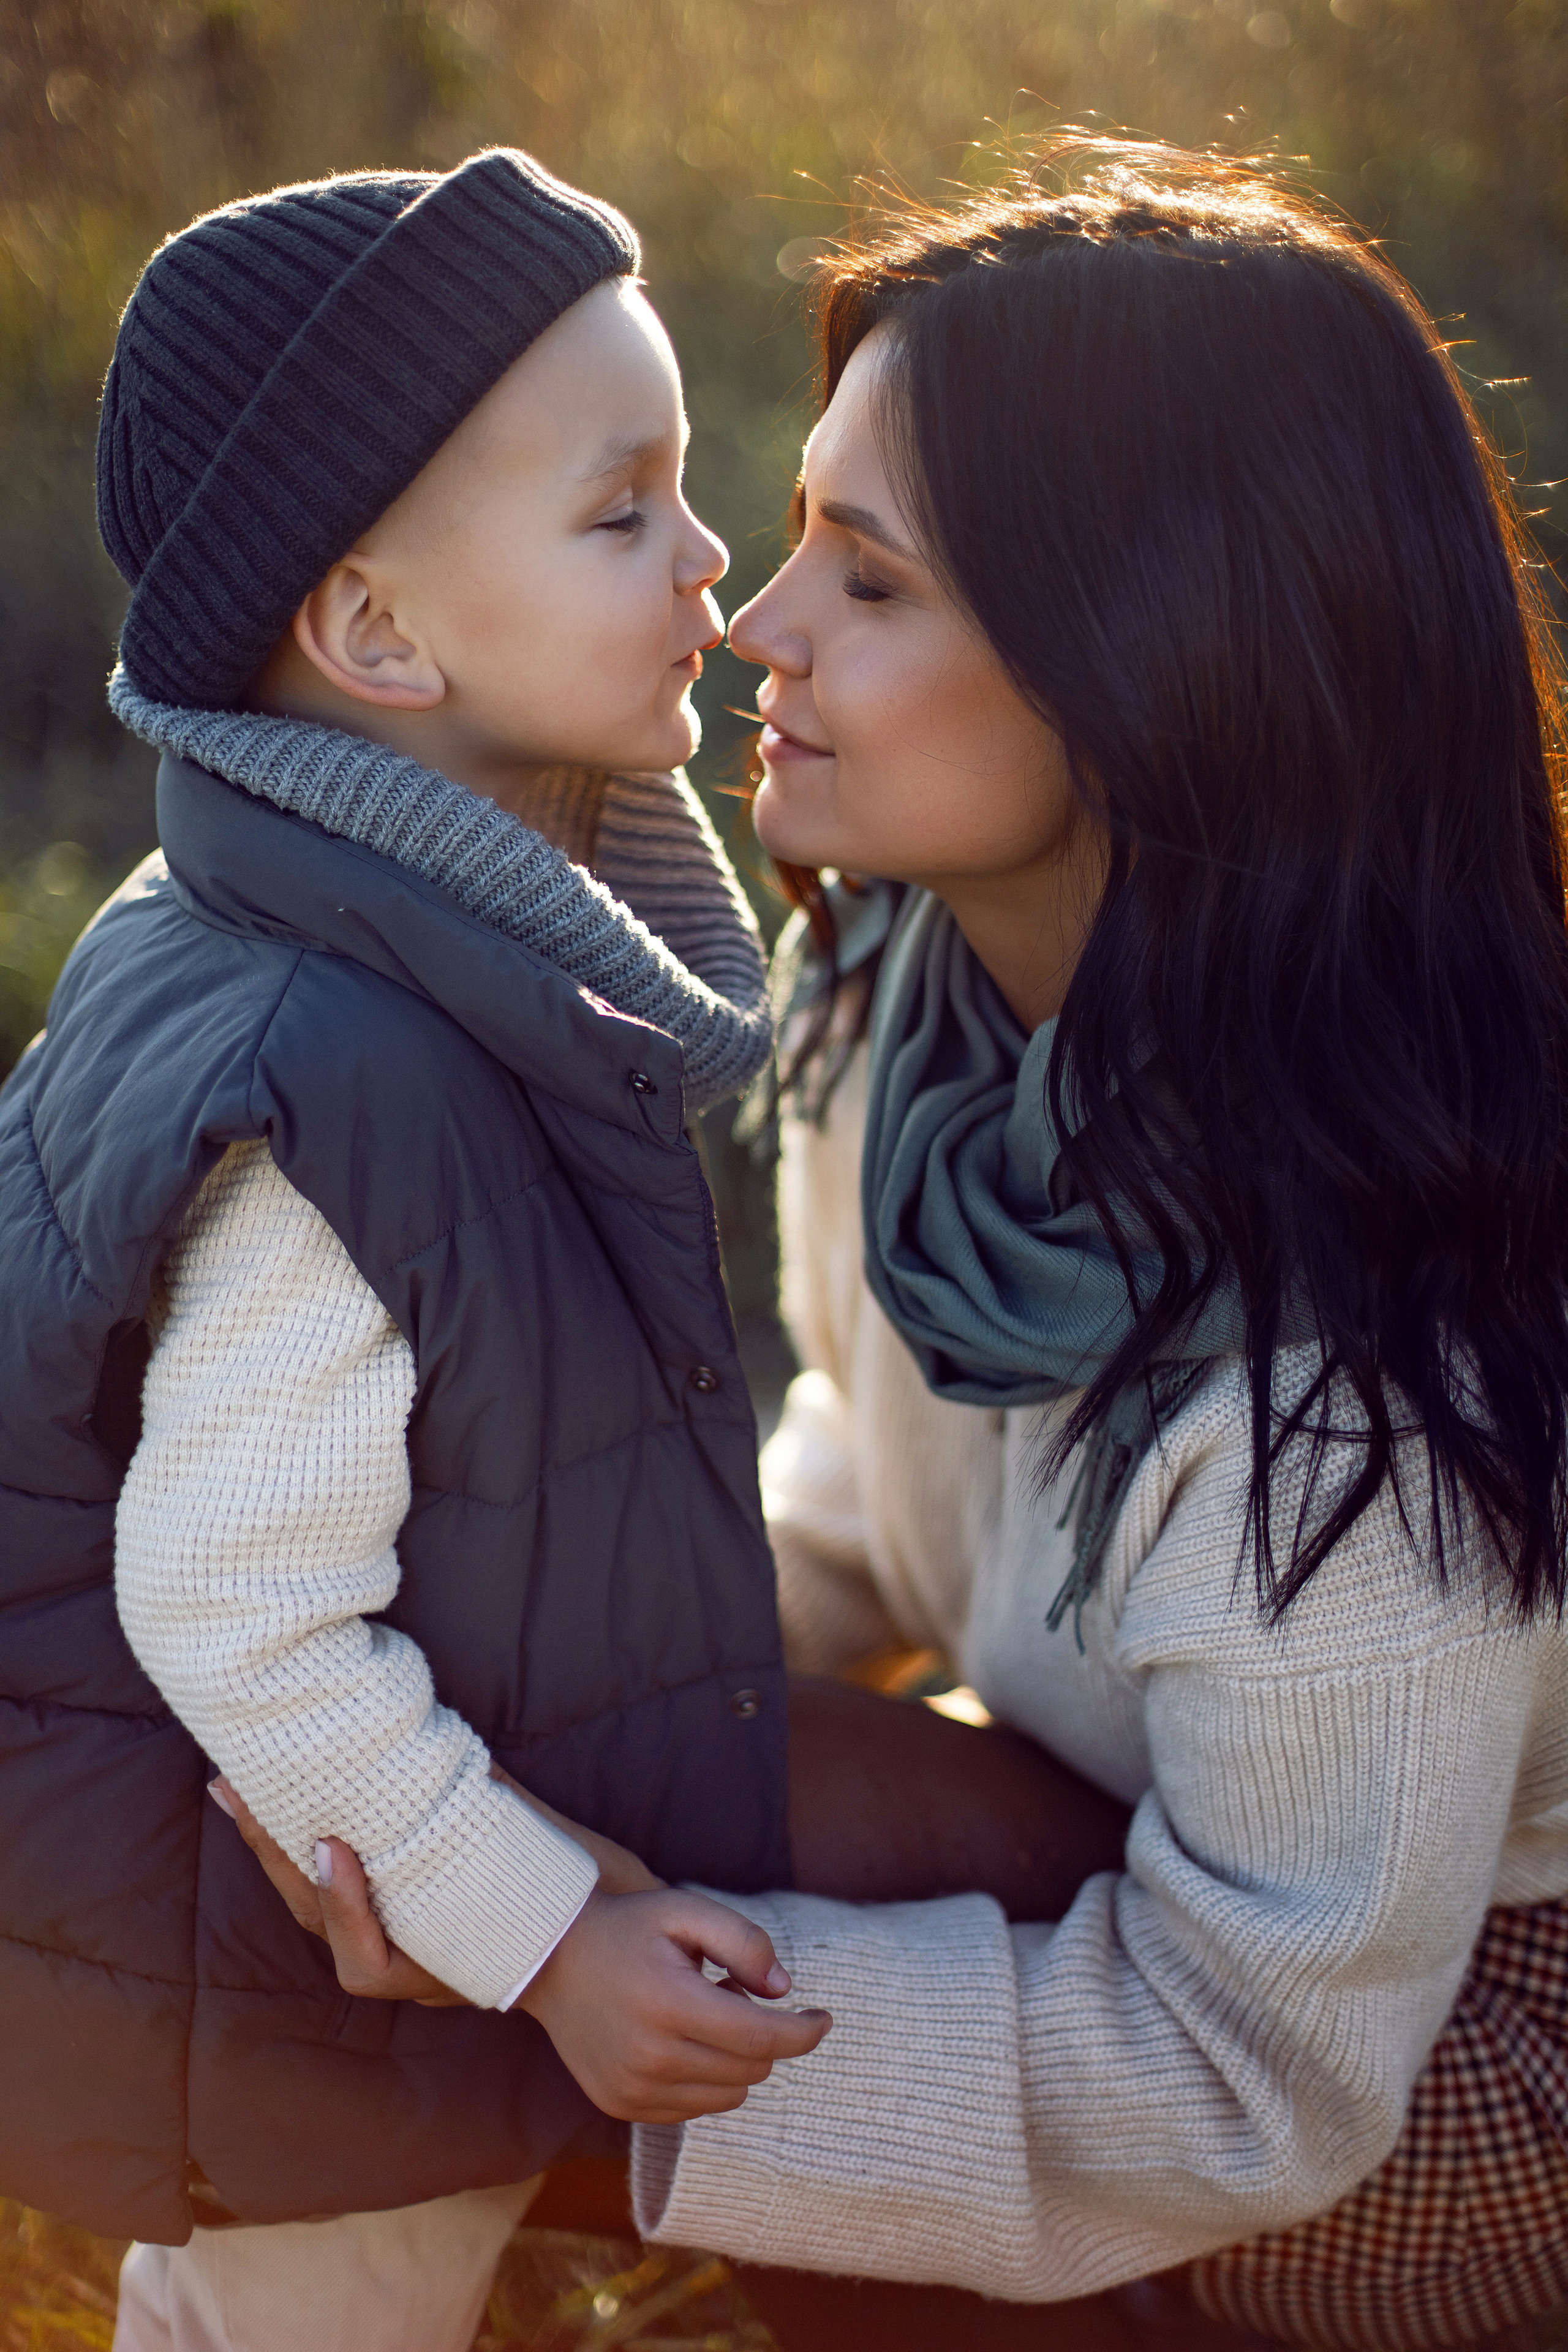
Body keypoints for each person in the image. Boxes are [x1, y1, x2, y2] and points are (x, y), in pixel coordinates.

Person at [229, 140, 1568, 2351]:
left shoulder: (1363, 1386)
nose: (755, 622)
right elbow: (872, 1459)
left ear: (1159, 662)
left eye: (873, 575)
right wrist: (518, 1693)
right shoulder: (900, 1014)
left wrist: (626, 1983)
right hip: (1179, 1900)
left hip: (1427, 2068)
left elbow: (1261, 2075)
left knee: (706, 1840)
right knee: (554, 1753)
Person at [0, 149, 828, 2352]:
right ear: (376, 634)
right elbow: (236, 1607)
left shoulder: (397, 946)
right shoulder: (340, 1075)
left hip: (366, 1897)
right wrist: (550, 1940)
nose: (710, 555)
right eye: (621, 509)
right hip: (319, 1945)